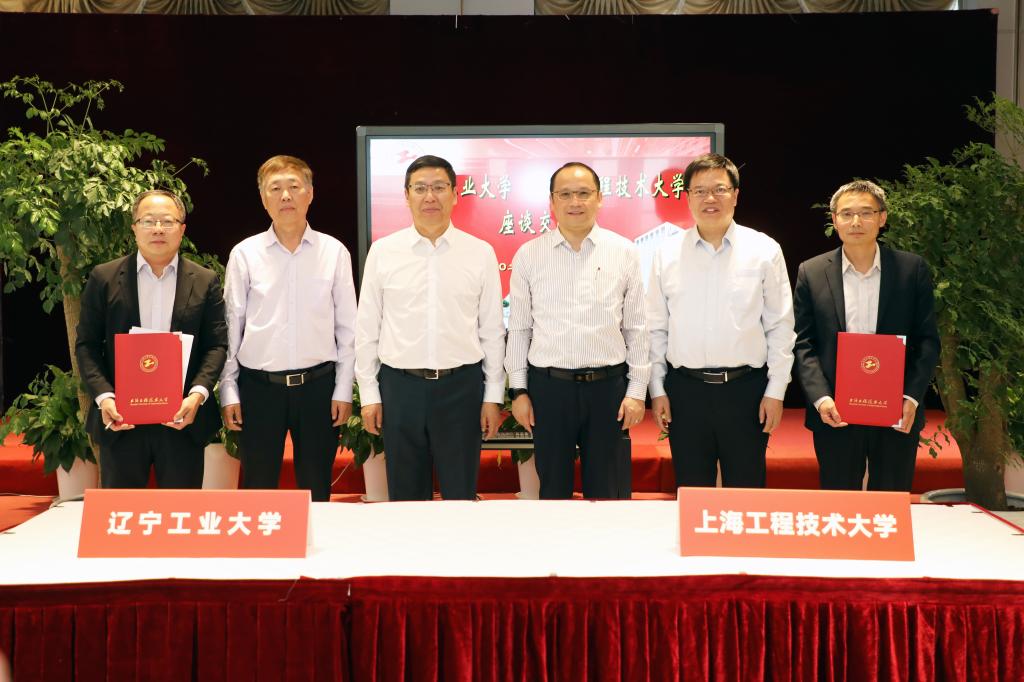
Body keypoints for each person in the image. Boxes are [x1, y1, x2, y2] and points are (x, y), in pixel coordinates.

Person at [354, 155, 505, 501]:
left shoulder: (479, 253)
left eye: (439, 187)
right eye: (420, 188)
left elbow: (492, 332)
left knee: (460, 495)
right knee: (406, 498)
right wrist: (370, 395)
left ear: (455, 194)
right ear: (406, 195)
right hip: (400, 388)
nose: (430, 196)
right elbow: (367, 329)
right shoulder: (383, 251)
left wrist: (493, 396)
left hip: (461, 388)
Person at [646, 153, 795, 488]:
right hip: (685, 392)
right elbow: (655, 328)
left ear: (736, 195)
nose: (709, 198)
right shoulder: (666, 253)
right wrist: (657, 388)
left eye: (719, 189)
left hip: (746, 392)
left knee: (746, 492)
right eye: (699, 191)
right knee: (690, 490)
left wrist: (776, 390)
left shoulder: (764, 250)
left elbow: (780, 326)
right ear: (687, 197)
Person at [505, 161, 649, 500]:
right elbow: (520, 329)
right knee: (553, 491)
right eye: (565, 194)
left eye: (584, 193)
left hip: (608, 390)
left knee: (606, 492)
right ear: (552, 202)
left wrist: (636, 391)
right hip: (549, 389)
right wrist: (519, 391)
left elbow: (637, 328)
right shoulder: (529, 255)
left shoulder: (624, 252)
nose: (575, 202)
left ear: (599, 198)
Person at [220, 155, 356, 502]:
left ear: (310, 193)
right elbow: (232, 326)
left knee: (317, 490)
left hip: (318, 388)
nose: (285, 196)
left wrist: (343, 388)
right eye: (275, 189)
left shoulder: (334, 252)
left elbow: (348, 328)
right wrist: (229, 390)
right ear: (263, 198)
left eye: (294, 187)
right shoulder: (245, 254)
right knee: (258, 489)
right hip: (259, 389)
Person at [76, 189, 228, 488]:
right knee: (122, 511)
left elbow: (216, 345)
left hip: (182, 420)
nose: (158, 229)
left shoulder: (204, 280)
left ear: (182, 229)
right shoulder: (104, 277)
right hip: (122, 420)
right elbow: (87, 345)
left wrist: (196, 395)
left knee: (180, 511)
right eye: (148, 221)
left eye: (167, 221)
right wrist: (105, 397)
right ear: (134, 228)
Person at [794, 180, 939, 491]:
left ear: (882, 217)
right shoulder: (812, 272)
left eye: (866, 213)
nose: (856, 222)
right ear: (835, 220)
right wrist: (821, 398)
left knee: (890, 502)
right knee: (839, 504)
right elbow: (803, 343)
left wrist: (911, 397)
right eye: (846, 214)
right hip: (836, 412)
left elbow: (927, 340)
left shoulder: (911, 270)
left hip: (897, 410)